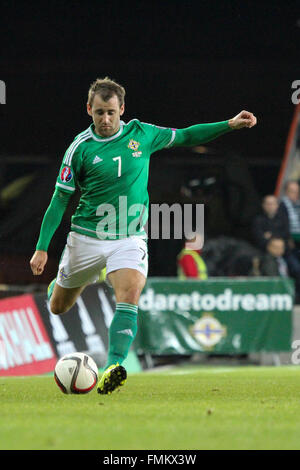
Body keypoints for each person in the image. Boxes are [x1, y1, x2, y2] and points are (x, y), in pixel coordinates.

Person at [30, 77, 257, 394]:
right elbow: (59, 202)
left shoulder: (143, 133)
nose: (105, 120)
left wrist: (229, 124)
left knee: (130, 293)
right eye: (99, 113)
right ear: (88, 110)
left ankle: (114, 365)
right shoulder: (79, 149)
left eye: (110, 112)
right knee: (58, 306)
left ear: (122, 109)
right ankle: (62, 283)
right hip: (86, 237)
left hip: (129, 237)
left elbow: (188, 135)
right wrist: (41, 249)